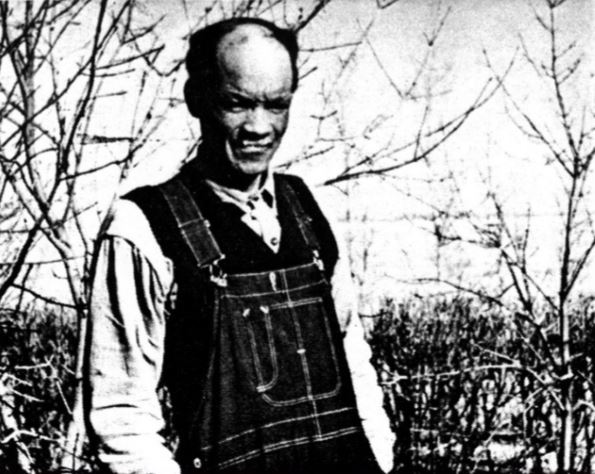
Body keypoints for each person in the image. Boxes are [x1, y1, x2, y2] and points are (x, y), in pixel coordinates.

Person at [84, 17, 394, 474]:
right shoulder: (143, 226)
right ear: (196, 98)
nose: (258, 127)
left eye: (276, 105)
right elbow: (122, 416)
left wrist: (379, 459)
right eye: (237, 103)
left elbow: (352, 358)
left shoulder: (309, 209)